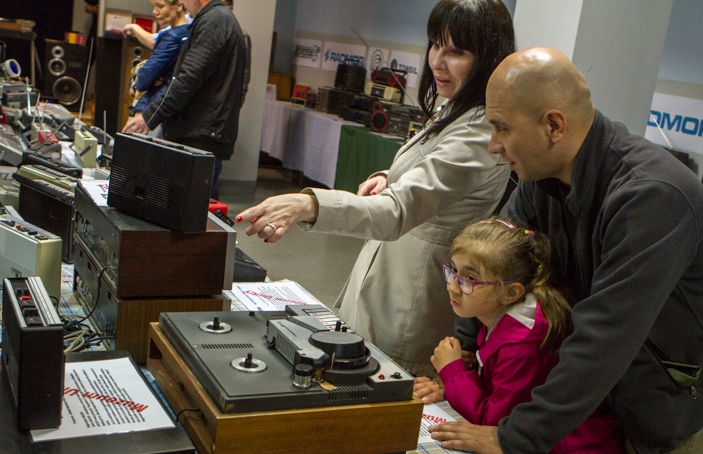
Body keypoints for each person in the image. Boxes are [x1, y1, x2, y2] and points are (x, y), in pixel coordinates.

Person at [427, 47, 703, 454]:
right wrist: (463, 363)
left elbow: (604, 339)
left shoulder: (652, 197)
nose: (493, 144)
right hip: (617, 378)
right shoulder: (539, 181)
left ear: (554, 125)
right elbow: (485, 270)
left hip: (685, 394)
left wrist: (514, 437)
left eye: (501, 127)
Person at [235, 0, 515, 377]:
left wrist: (308, 205)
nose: (437, 61)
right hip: (387, 279)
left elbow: (399, 210)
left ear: (488, 58)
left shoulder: (480, 130)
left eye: (456, 51)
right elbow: (433, 176)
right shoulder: (457, 108)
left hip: (411, 298)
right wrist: (389, 175)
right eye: (435, 45)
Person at [428, 217, 625, 454]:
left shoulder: (523, 339)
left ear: (511, 291)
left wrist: (452, 373)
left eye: (469, 278)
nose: (453, 285)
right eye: (452, 270)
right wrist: (452, 382)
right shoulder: (503, 314)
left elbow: (496, 421)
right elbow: (497, 384)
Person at [122, 0, 246, 200]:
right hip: (202, 134)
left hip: (199, 139)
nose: (181, 3)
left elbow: (188, 80)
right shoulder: (215, 19)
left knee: (189, 217)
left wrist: (148, 116)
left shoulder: (215, 20)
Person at [125, 0, 190, 129]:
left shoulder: (173, 37)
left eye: (160, 6)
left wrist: (147, 73)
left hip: (154, 106)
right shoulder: (189, 32)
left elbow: (143, 80)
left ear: (179, 5)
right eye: (154, 6)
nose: (155, 11)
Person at [221, 0, 250, 106]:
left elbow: (244, 73)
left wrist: (237, 104)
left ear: (230, 7)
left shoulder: (241, 36)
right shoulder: (209, 32)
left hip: (227, 102)